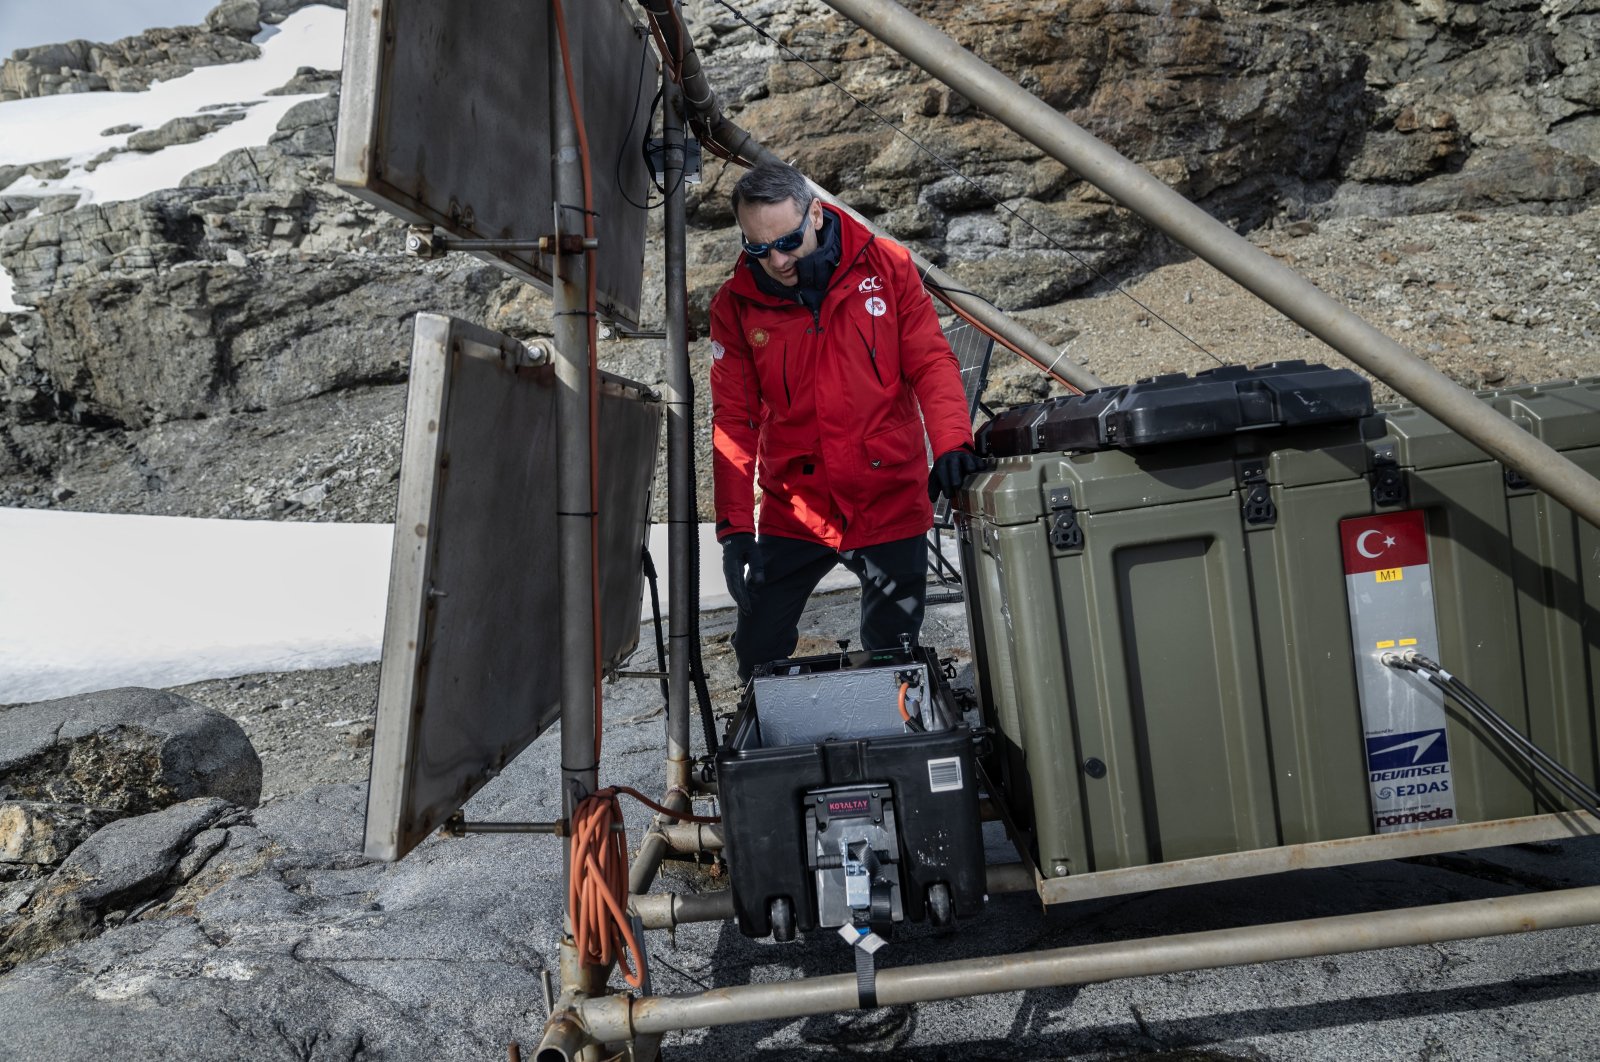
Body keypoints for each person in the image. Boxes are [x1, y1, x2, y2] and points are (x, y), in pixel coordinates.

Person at [708, 160, 981, 682]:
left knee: (892, 652)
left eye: (786, 241)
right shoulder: (735, 306)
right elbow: (735, 419)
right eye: (758, 248)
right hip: (798, 509)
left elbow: (930, 361)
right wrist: (735, 527)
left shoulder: (887, 267)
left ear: (814, 213)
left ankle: (892, 741)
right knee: (757, 647)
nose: (777, 261)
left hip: (888, 497)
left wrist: (952, 443)